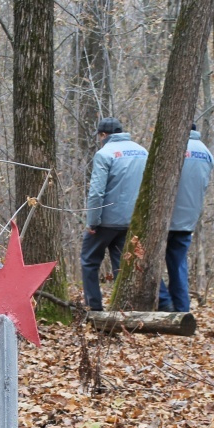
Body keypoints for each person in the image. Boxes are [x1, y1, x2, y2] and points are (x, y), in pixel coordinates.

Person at [81, 117, 148, 311]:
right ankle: (123, 309)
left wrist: (92, 222)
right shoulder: (142, 151)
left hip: (106, 222)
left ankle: (94, 308)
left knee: (89, 261)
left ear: (103, 135)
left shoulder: (104, 154)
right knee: (122, 266)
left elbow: (96, 192)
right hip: (132, 221)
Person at [158, 123, 214, 312]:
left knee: (144, 260)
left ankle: (164, 301)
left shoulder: (172, 147)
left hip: (165, 218)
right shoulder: (206, 153)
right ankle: (182, 310)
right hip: (188, 220)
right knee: (178, 266)